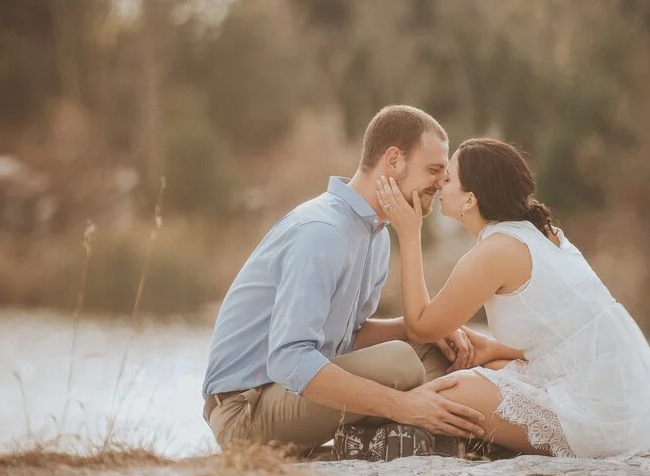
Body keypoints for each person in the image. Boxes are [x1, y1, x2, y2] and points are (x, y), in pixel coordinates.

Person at [201, 105, 488, 455]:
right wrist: (401, 406)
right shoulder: (323, 231)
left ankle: (425, 440)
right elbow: (289, 359)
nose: (441, 184)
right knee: (400, 361)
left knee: (435, 350)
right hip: (246, 411)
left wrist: (415, 329)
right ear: (393, 160)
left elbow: (346, 339)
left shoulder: (377, 235)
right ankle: (402, 427)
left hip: (290, 397)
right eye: (433, 171)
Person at [374, 138, 650, 458]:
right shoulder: (542, 233)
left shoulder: (496, 251)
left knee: (450, 391)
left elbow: (419, 327)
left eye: (448, 179)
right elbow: (565, 334)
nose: (440, 184)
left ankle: (380, 440)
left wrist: (409, 235)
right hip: (636, 403)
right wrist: (491, 348)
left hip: (607, 416)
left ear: (470, 199)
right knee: (494, 363)